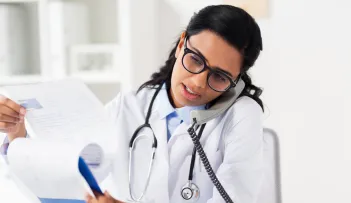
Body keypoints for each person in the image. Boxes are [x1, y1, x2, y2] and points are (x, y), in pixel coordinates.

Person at [0, 4, 264, 203]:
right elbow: (63, 171)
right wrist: (17, 130)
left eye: (218, 77)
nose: (197, 83)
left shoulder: (241, 116)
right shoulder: (129, 106)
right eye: (195, 60)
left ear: (236, 81)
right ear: (182, 43)